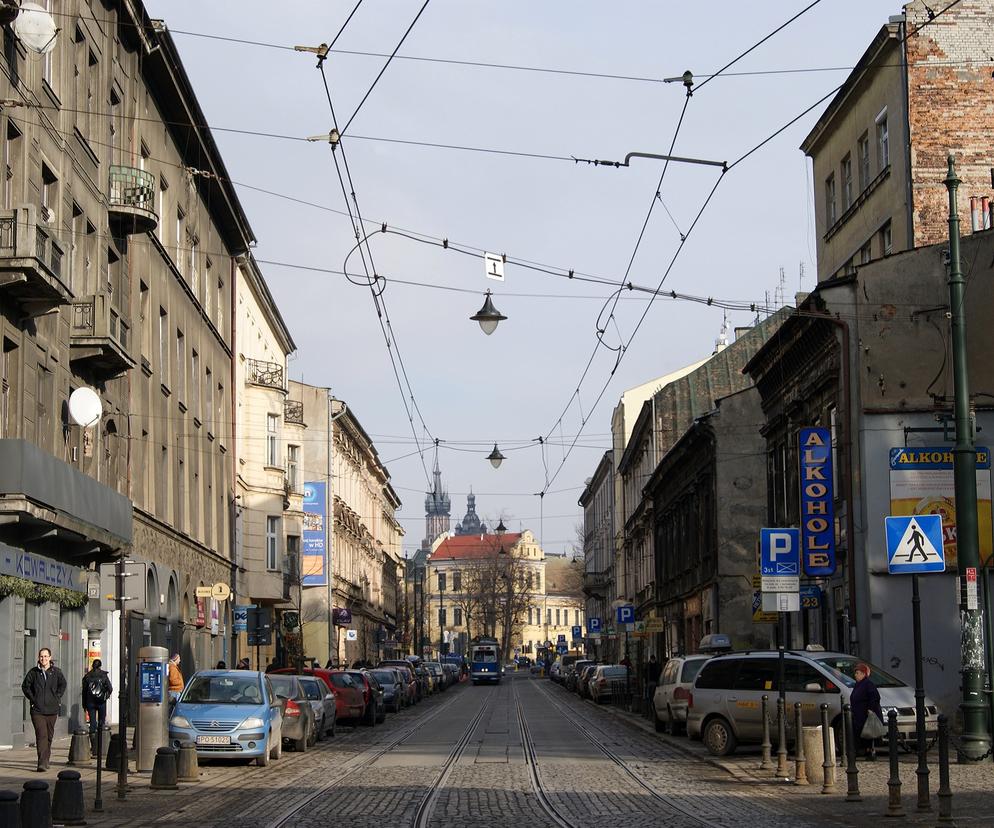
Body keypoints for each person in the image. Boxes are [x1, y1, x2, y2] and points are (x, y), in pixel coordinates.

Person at [21, 648, 67, 772]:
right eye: (41, 656)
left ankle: (46, 760)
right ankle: (41, 763)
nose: (44, 659)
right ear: (38, 658)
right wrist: (33, 698)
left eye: (46, 656)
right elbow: (25, 686)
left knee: (49, 736)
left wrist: (57, 696)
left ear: (50, 658)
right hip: (37, 710)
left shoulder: (56, 672)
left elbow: (63, 684)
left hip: (52, 710)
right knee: (41, 735)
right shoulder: (34, 672)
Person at [850, 662, 883, 760]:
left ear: (864, 674)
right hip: (859, 714)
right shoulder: (858, 684)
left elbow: (874, 697)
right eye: (855, 673)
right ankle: (863, 751)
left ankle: (870, 752)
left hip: (865, 714)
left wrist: (870, 709)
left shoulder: (868, 684)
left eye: (858, 673)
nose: (855, 675)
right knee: (861, 733)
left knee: (868, 733)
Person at [82, 659, 113, 737]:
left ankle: (93, 742)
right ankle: (101, 740)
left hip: (90, 702)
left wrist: (84, 704)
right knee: (101, 721)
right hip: (101, 702)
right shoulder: (103, 675)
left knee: (92, 722)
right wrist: (105, 696)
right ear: (100, 666)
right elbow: (110, 688)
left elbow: (84, 691)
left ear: (92, 665)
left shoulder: (87, 676)